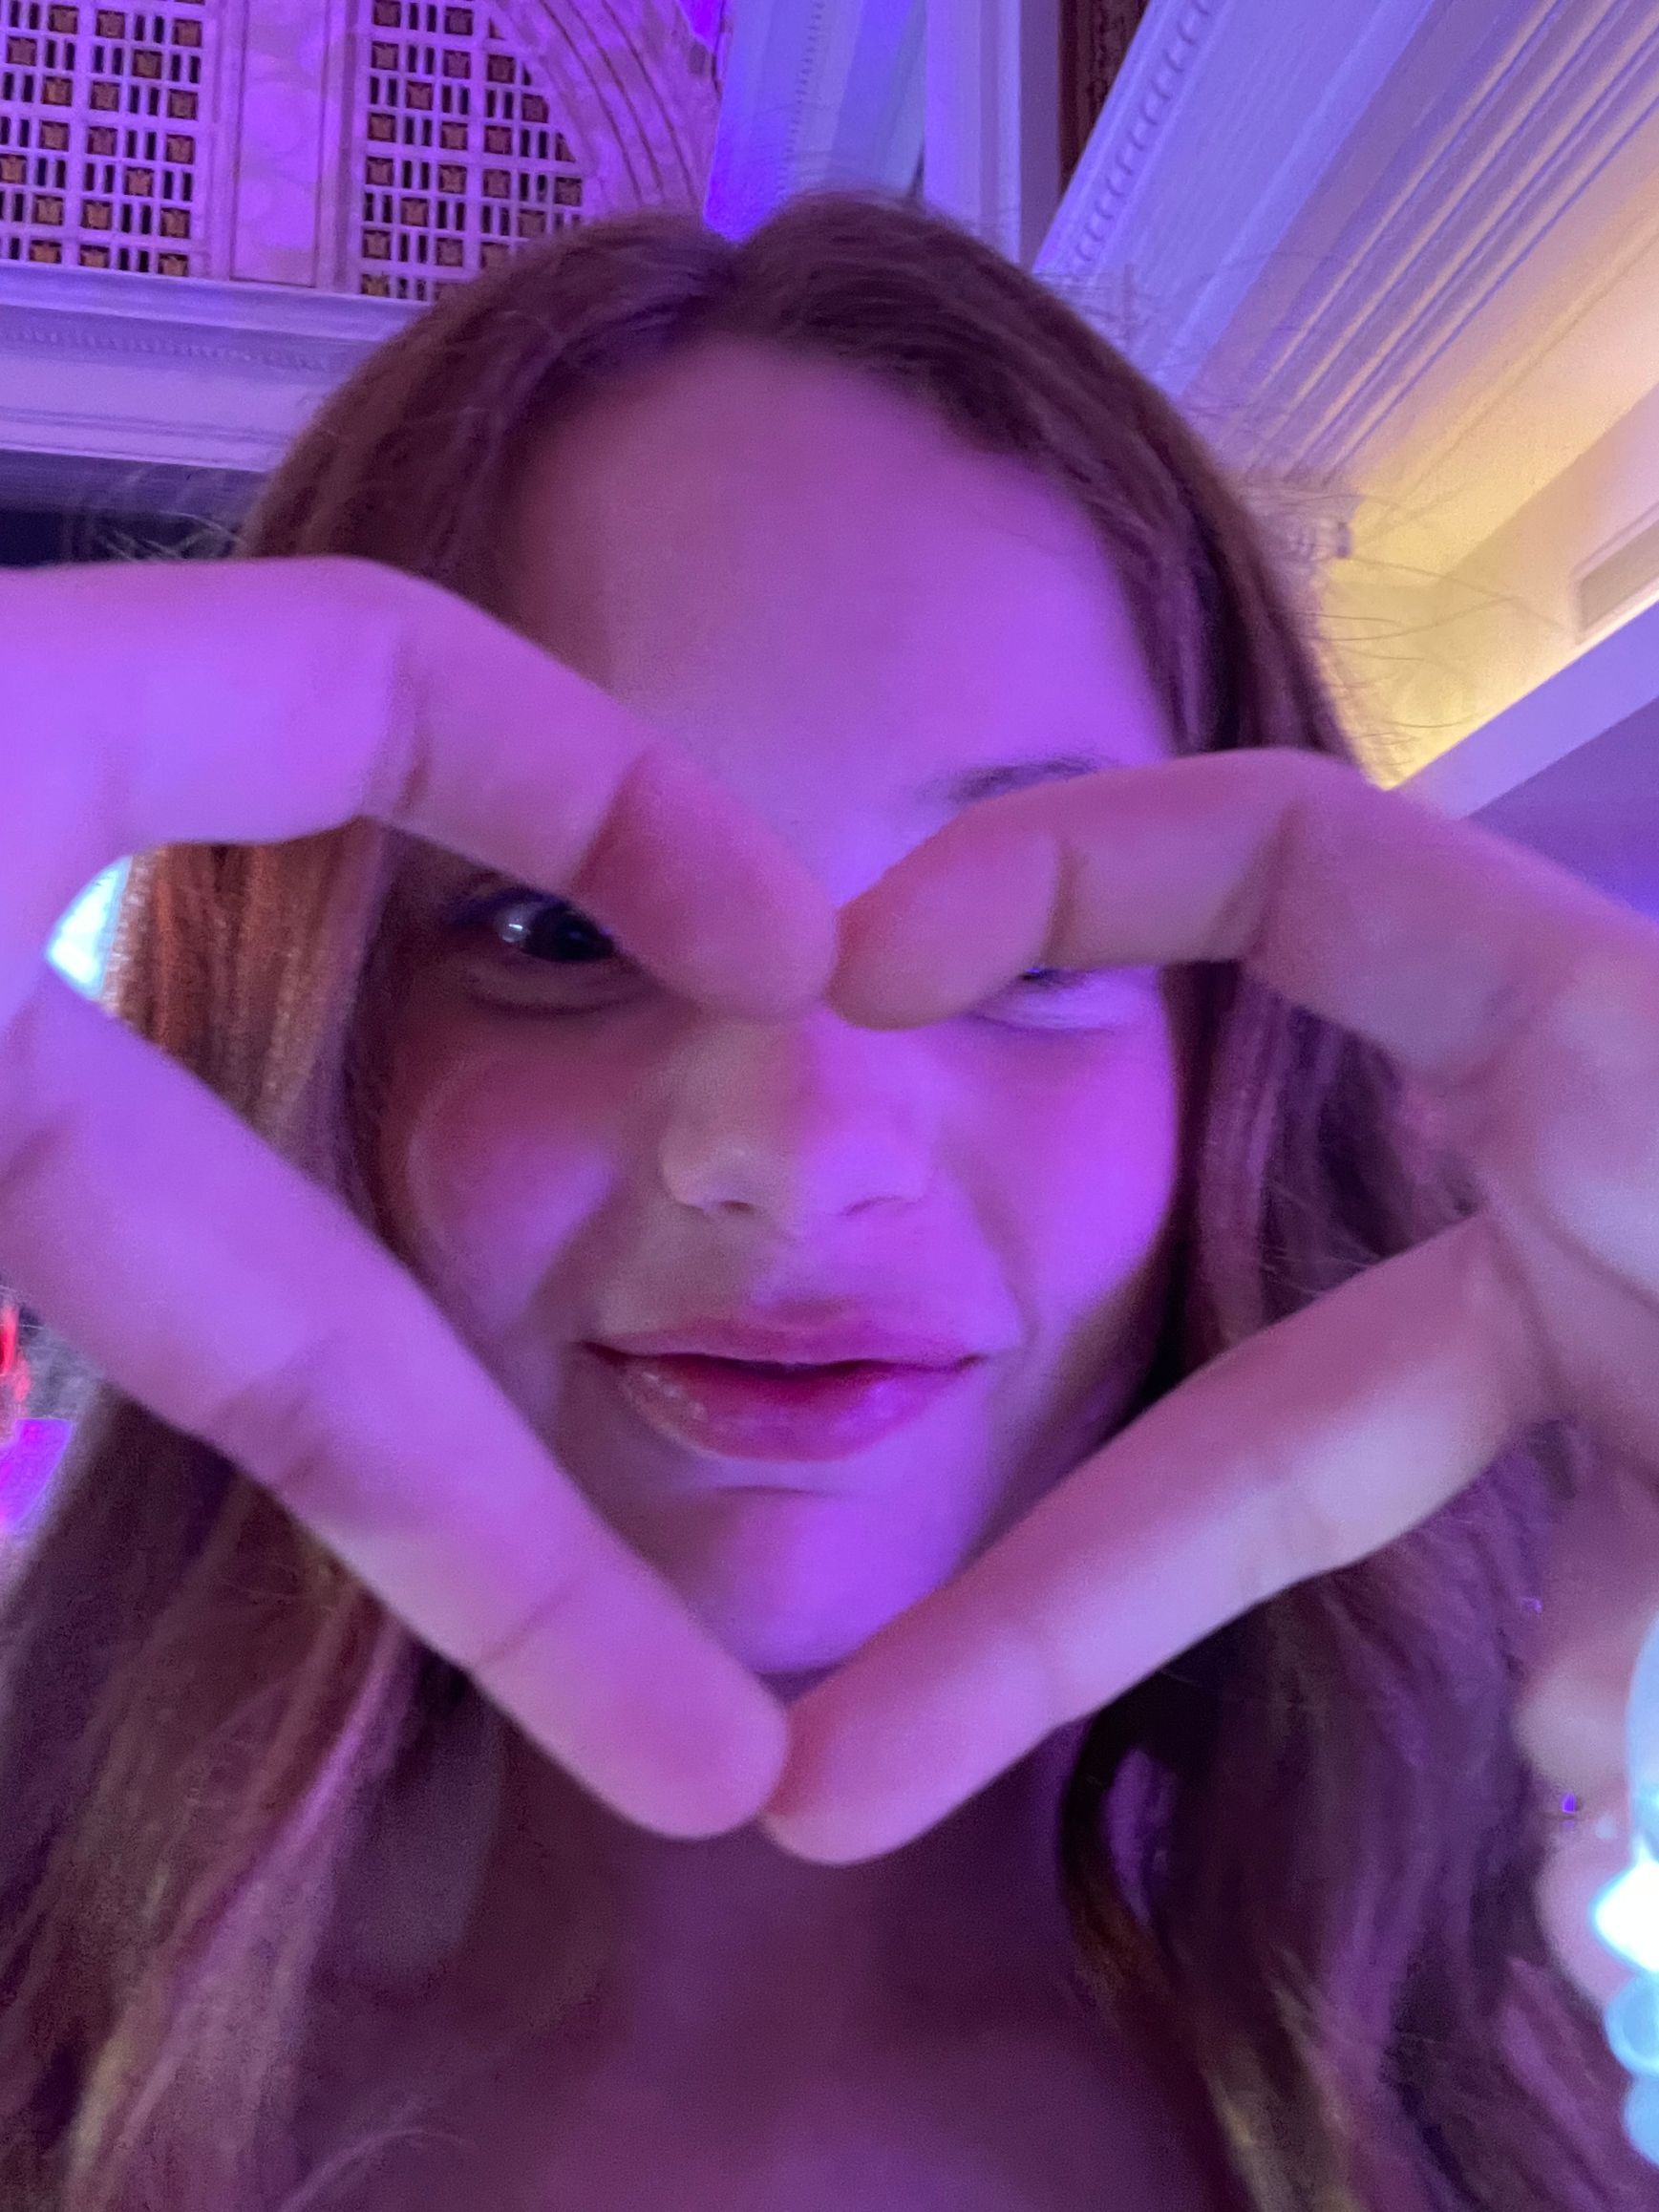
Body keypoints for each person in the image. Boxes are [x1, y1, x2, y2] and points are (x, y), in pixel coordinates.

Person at [0, 187, 1651, 2212]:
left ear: (1243, 1046)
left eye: (1039, 948)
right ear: (302, 1037)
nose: (790, 1152)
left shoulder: (1583, 2038)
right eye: (549, 930)